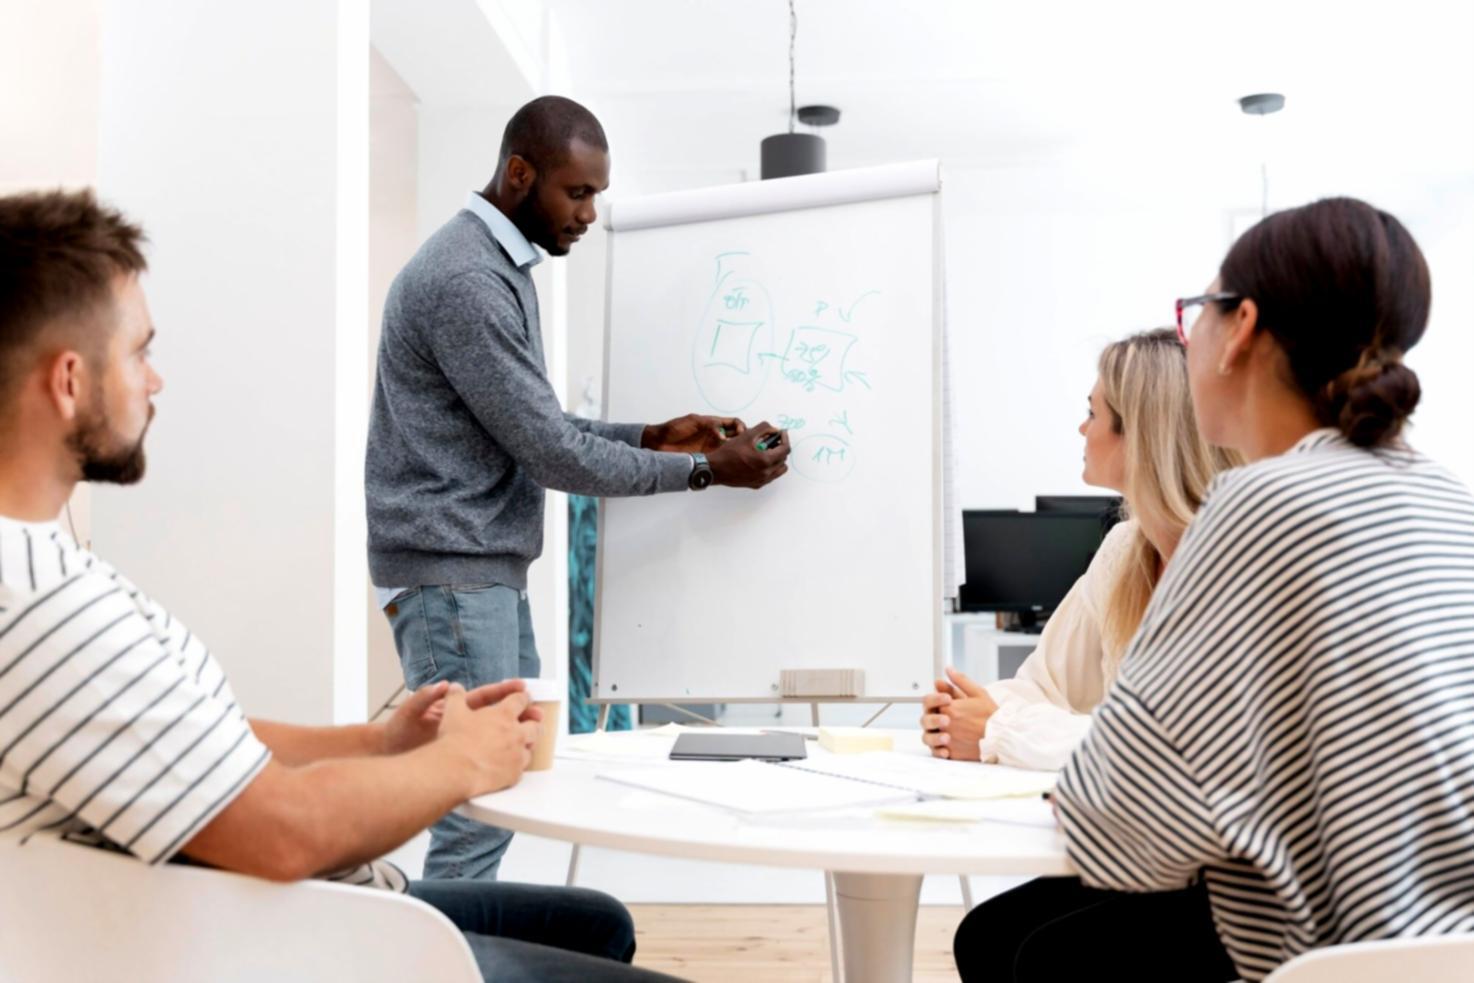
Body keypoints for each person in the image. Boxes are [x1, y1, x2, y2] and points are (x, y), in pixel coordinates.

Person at [0, 189, 684, 983]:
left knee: (596, 922)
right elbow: (283, 833)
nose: (156, 380)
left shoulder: (47, 578)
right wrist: (462, 762)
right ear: (69, 381)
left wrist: (377, 741)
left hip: (308, 907)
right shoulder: (46, 607)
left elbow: (190, 740)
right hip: (300, 942)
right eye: (140, 352)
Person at [958, 197, 1474, 982]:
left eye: (1193, 312)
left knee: (1038, 955)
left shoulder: (1260, 506)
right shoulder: (1448, 499)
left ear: (1241, 329)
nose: (1187, 335)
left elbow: (1119, 824)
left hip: (1337, 957)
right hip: (1444, 948)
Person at [366, 95, 791, 882]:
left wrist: (653, 436)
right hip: (453, 578)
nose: (591, 214)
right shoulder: (467, 282)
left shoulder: (494, 266)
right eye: (578, 192)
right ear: (520, 174)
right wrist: (702, 469)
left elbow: (534, 423)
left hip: (472, 574)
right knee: (474, 813)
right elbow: (553, 454)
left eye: (597, 194)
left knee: (498, 793)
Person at [921, 328, 1238, 769]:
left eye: (1093, 413)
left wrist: (997, 731)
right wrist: (962, 711)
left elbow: (1171, 751)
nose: (1082, 428)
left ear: (1143, 435)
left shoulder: (1235, 566)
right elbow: (1047, 687)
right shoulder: (1124, 549)